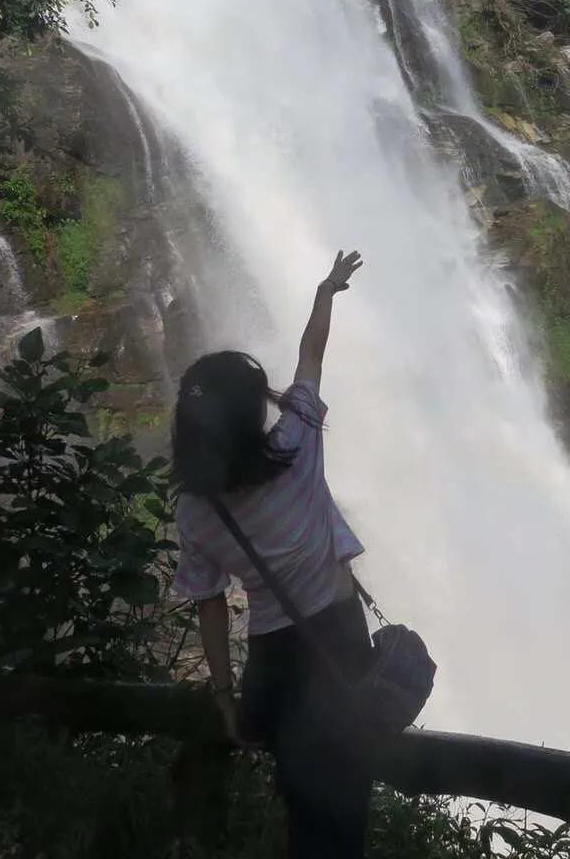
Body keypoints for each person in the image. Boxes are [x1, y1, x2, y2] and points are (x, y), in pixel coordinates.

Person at [171, 249, 370, 859]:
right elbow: (311, 356)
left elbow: (208, 603)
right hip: (336, 638)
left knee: (301, 797)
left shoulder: (196, 510)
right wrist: (325, 292)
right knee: (347, 796)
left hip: (273, 662)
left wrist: (228, 698)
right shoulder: (296, 440)